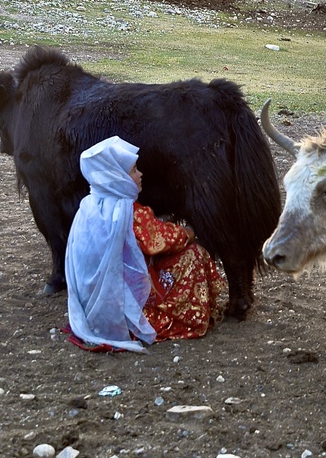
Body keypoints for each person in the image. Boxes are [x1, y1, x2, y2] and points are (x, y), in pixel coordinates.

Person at [64, 135, 227, 352]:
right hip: (125, 303)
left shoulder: (89, 205)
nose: (140, 174)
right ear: (117, 176)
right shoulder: (126, 211)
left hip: (97, 300)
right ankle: (183, 317)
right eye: (133, 170)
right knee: (195, 254)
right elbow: (160, 240)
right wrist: (188, 232)